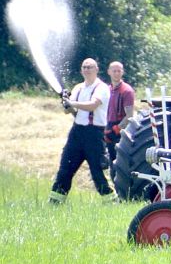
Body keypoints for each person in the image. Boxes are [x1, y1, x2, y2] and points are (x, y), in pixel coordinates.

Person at [49, 58, 114, 203]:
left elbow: (93, 105)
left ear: (96, 69)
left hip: (94, 134)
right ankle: (55, 201)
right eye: (84, 67)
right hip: (77, 132)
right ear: (81, 70)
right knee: (65, 168)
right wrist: (66, 103)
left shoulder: (102, 88)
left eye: (90, 67)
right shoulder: (78, 88)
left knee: (98, 172)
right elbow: (69, 111)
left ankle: (111, 201)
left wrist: (72, 102)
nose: (86, 70)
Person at [104, 61, 135, 179]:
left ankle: (122, 186)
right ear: (109, 72)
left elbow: (129, 115)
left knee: (121, 163)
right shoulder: (107, 90)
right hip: (108, 126)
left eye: (119, 71)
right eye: (114, 71)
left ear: (122, 72)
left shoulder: (127, 91)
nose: (116, 73)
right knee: (111, 160)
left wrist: (117, 129)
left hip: (121, 130)